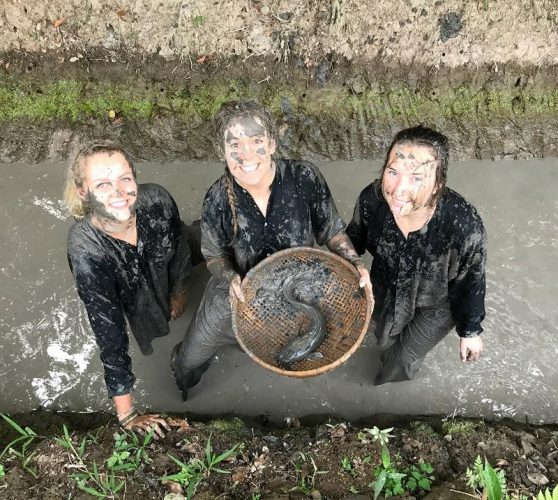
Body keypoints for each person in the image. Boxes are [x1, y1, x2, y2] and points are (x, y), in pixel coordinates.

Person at [171, 100, 372, 400]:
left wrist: (356, 263)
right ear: (222, 151)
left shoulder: (305, 178)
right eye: (235, 145)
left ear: (273, 143)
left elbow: (331, 231)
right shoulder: (217, 198)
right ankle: (184, 385)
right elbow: (214, 256)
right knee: (189, 356)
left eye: (256, 142)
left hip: (301, 285)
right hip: (235, 290)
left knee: (285, 340)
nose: (246, 155)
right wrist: (229, 276)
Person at [65, 141, 200, 436]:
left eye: (125, 179)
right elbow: (109, 334)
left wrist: (180, 289)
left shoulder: (157, 200)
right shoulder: (87, 250)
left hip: (166, 263)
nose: (119, 193)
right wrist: (127, 416)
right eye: (102, 184)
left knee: (201, 240)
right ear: (83, 192)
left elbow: (178, 248)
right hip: (130, 288)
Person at [346, 125, 486, 385]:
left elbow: (471, 281)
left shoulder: (463, 226)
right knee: (384, 339)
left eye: (417, 178)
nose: (398, 189)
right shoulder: (372, 200)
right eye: (393, 171)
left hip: (436, 303)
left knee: (401, 360)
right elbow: (353, 240)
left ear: (437, 185)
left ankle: (384, 392)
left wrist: (470, 331)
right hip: (386, 287)